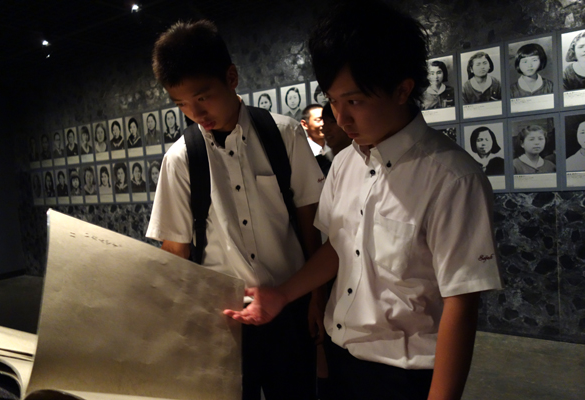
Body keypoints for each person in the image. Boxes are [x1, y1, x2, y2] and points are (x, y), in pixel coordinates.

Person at [225, 2, 502, 400]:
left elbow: (461, 303)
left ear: (402, 90)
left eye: (354, 101)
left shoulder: (452, 178)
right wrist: (282, 294)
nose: (341, 119)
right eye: (333, 101)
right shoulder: (344, 163)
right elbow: (339, 246)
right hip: (341, 360)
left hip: (403, 375)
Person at [147, 19, 324, 400]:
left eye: (203, 97)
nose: (196, 113)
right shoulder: (180, 159)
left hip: (288, 305)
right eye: (182, 105)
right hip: (220, 318)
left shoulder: (284, 134)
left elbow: (309, 223)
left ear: (231, 77)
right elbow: (175, 250)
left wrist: (317, 297)